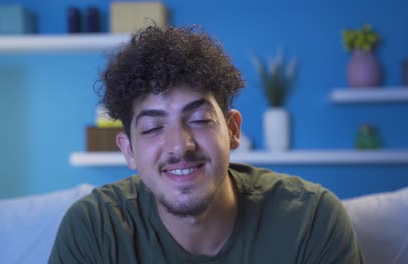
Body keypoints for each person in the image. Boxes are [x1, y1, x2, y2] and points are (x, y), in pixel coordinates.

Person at [49, 24, 364, 263]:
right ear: (128, 150)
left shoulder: (311, 221)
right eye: (153, 127)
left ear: (233, 130)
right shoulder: (93, 229)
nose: (179, 146)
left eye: (199, 120)